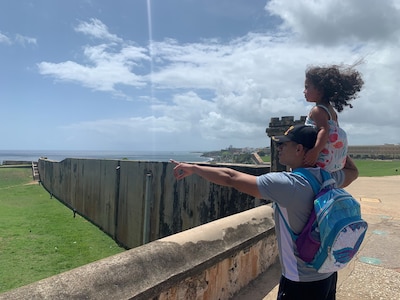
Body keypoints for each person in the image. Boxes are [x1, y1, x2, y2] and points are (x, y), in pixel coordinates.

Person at [171, 124, 359, 300]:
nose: (279, 148)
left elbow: (231, 178)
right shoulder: (329, 178)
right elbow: (353, 171)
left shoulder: (287, 184)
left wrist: (194, 168)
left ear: (299, 149)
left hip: (300, 282)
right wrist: (332, 141)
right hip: (327, 274)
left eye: (284, 144)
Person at [303, 64, 364, 171]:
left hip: (318, 159)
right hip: (331, 162)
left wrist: (315, 151)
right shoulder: (331, 112)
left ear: (320, 90)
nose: (304, 91)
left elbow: (324, 130)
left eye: (307, 87)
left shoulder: (317, 110)